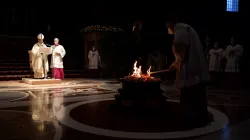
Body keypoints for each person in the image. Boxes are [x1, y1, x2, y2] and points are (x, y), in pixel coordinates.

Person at [165, 20, 210, 126]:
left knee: (189, 94)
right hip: (196, 68)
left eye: (167, 25)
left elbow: (181, 51)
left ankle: (188, 121)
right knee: (198, 95)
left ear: (170, 24)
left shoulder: (180, 29)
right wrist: (175, 63)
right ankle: (200, 119)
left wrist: (177, 62)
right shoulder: (187, 28)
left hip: (191, 70)